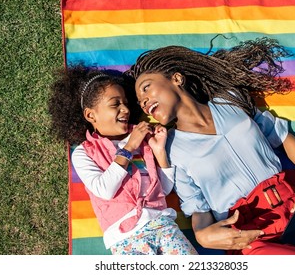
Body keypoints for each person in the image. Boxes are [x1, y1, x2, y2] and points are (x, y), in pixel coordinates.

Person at [126, 37, 295, 255]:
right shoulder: (170, 148)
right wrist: (202, 235)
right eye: (140, 101)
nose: (144, 101)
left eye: (146, 88)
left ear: (176, 78)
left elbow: (282, 137)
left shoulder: (230, 100)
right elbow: (195, 206)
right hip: (247, 236)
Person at [48, 65, 198, 255]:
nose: (125, 109)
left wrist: (159, 152)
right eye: (115, 104)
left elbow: (164, 190)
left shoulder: (143, 140)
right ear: (90, 115)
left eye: (126, 103)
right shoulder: (84, 152)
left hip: (164, 227)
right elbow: (104, 190)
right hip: (125, 238)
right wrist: (129, 148)